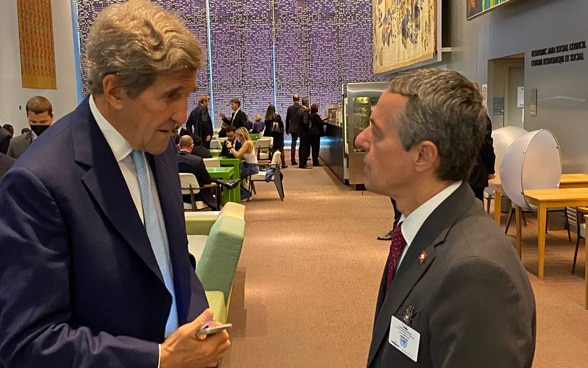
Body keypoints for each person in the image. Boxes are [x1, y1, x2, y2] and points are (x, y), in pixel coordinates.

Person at [0, 1, 230, 367]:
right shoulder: (38, 183)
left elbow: (173, 257)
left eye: (187, 94)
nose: (182, 114)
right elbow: (30, 342)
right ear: (115, 90)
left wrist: (200, 322)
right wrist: (158, 359)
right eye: (171, 95)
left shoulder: (159, 144)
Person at [355, 69, 535, 368]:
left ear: (423, 156)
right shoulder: (418, 231)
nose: (361, 140)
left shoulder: (476, 274)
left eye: (376, 131)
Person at [468, 83, 496, 201]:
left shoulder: (449, 115)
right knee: (475, 204)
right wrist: (490, 169)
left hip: (453, 171)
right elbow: (486, 145)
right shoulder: (481, 117)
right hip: (476, 169)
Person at [177, 135, 217, 210]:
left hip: (177, 196)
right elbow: (207, 180)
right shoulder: (197, 161)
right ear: (192, 146)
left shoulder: (171, 161)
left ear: (179, 146)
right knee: (215, 187)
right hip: (197, 197)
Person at [225, 127, 258, 200]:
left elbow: (237, 155)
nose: (237, 138)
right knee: (235, 177)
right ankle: (244, 194)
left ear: (241, 135)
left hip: (251, 167)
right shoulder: (246, 143)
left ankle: (246, 194)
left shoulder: (247, 143)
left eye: (237, 136)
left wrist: (230, 147)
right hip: (249, 165)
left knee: (235, 178)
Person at [285, 94, 304, 166]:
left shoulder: (290, 108)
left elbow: (287, 120)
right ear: (299, 99)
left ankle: (293, 159)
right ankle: (301, 159)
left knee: (293, 143)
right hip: (300, 128)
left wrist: (287, 129)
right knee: (302, 144)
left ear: (293, 99)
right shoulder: (301, 108)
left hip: (292, 128)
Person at [308, 103, 324, 167]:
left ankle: (314, 161)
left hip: (310, 134)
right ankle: (315, 162)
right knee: (316, 148)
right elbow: (321, 123)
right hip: (316, 134)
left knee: (312, 148)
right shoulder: (316, 116)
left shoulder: (310, 116)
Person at [297, 97, 311, 168]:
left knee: (301, 148)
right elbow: (305, 122)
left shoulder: (299, 110)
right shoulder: (305, 111)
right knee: (304, 148)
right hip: (305, 133)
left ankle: (301, 163)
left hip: (300, 132)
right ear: (307, 103)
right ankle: (303, 164)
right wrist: (308, 128)